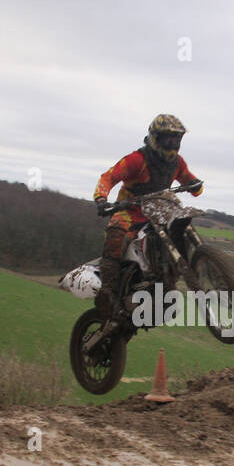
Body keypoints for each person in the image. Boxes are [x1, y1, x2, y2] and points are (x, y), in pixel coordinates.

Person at [92, 114, 204, 319]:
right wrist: (101, 199)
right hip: (130, 211)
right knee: (116, 234)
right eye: (167, 139)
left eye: (176, 139)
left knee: (182, 227)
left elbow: (191, 182)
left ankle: (168, 281)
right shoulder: (137, 160)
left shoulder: (177, 162)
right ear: (155, 137)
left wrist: (196, 184)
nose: (172, 144)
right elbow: (108, 177)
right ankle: (108, 291)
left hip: (161, 210)